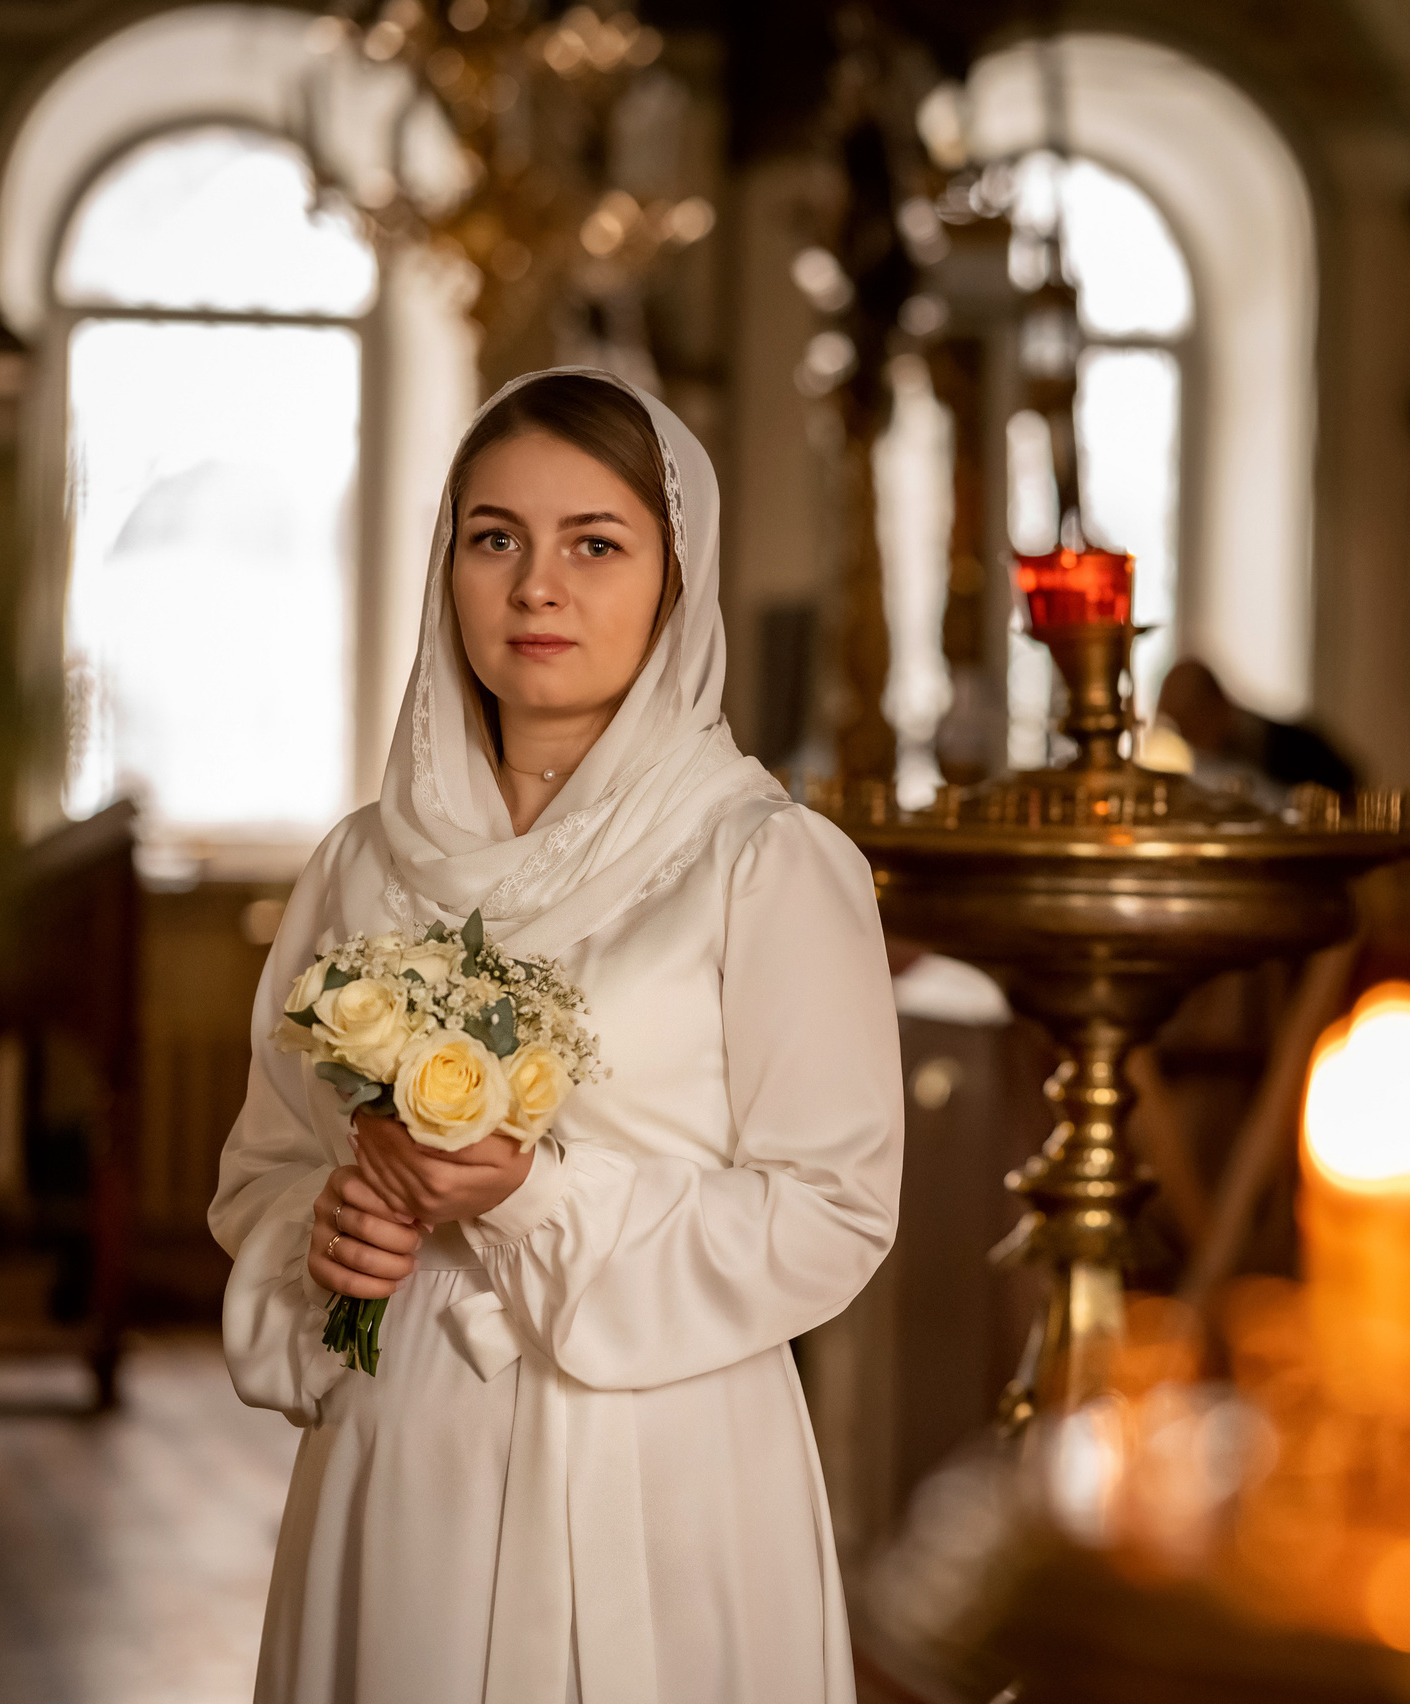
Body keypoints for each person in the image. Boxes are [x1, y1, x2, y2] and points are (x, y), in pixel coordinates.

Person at [210, 369, 902, 1703]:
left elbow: (834, 1211)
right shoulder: (362, 864)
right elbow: (266, 1166)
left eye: (596, 543)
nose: (539, 586)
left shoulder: (765, 862)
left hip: (660, 1463)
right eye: (495, 538)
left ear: (674, 579)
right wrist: (322, 1231)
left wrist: (538, 1197)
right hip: (400, 1449)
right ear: (445, 567)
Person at [1152, 658, 1358, 799]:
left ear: (1215, 702)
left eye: (1189, 723)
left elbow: (1349, 790)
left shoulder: (1303, 748)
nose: (1187, 737)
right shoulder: (1202, 768)